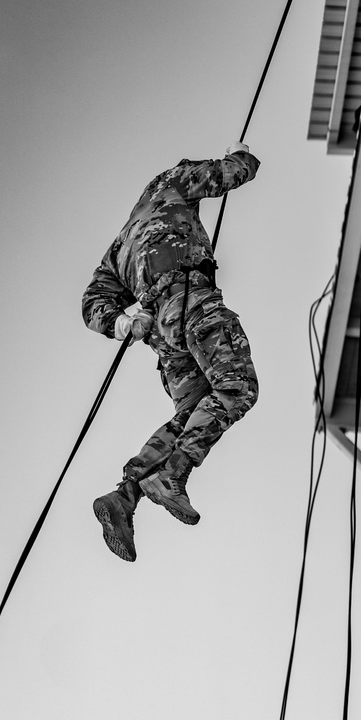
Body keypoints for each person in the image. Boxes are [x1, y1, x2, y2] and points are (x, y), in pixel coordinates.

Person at [81, 145, 260, 563]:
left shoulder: (121, 244)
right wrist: (242, 156)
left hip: (163, 333)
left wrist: (123, 323)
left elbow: (92, 302)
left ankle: (125, 496)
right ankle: (172, 473)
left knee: (195, 409)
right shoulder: (172, 183)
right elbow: (232, 173)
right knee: (237, 388)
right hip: (190, 300)